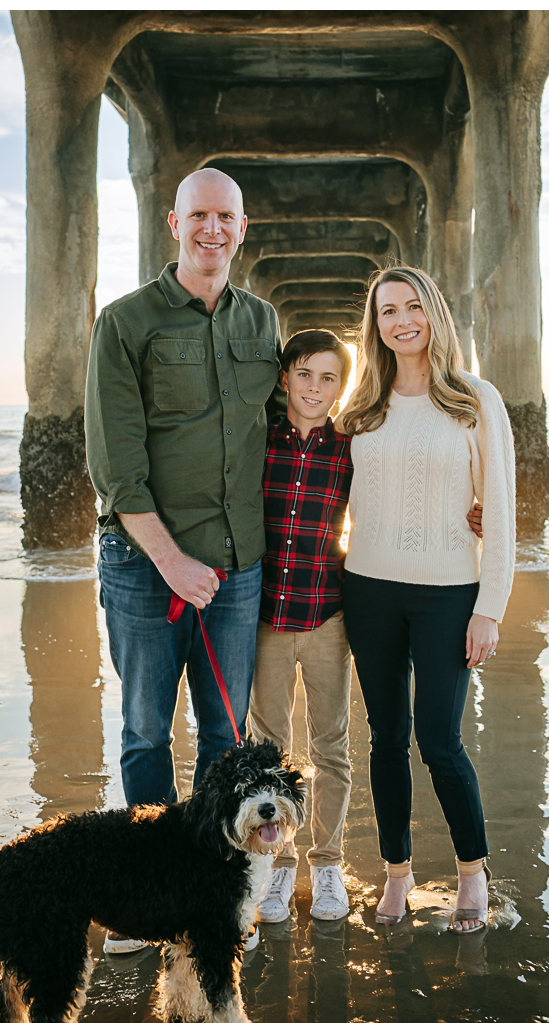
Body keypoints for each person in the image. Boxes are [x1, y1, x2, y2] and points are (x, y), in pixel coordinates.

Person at [85, 168, 284, 953]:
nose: (212, 228)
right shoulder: (125, 322)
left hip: (238, 568)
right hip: (145, 566)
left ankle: (210, 892)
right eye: (198, 214)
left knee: (224, 741)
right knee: (143, 730)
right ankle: (147, 890)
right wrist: (169, 562)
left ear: (243, 226)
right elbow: (116, 467)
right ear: (174, 222)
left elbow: (291, 429)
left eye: (225, 216)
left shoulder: (263, 322)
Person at [338, 265, 515, 934]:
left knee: (441, 740)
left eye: (413, 306)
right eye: (387, 311)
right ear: (375, 326)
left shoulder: (475, 399)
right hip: (369, 590)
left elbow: (497, 511)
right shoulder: (361, 407)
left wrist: (489, 608)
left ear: (434, 313)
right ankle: (397, 875)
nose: (401, 320)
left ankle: (472, 872)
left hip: (448, 596)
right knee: (386, 739)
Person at [249, 329, 354, 923]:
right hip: (265, 616)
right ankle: (278, 867)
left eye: (329, 377)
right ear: (285, 377)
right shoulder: (259, 439)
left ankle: (329, 862)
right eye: (305, 374)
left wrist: (468, 513)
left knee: (331, 743)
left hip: (326, 615)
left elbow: (395, 499)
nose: (315, 387)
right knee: (269, 749)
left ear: (342, 386)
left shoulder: (350, 446)